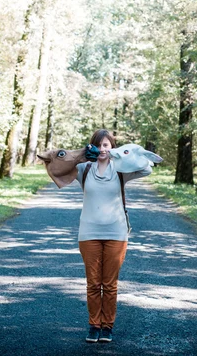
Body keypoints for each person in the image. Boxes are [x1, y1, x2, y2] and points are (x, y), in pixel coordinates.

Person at [75, 129, 152, 343]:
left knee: (109, 284)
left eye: (106, 145)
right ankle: (94, 325)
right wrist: (83, 154)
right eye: (98, 145)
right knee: (93, 283)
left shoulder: (120, 169)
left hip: (116, 233)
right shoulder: (84, 168)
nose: (102, 149)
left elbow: (147, 169)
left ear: (112, 147)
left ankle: (107, 327)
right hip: (88, 232)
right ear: (92, 146)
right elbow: (58, 167)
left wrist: (121, 155)